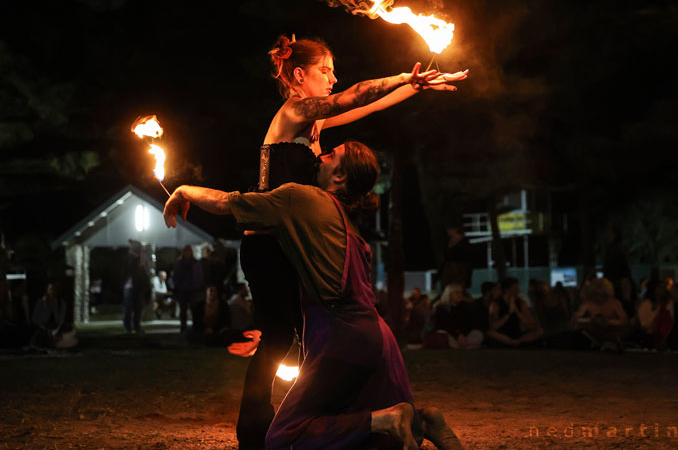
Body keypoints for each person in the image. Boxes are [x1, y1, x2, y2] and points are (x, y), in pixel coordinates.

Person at [234, 34, 469, 449]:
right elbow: (356, 94)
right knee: (276, 337)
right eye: (326, 70)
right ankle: (254, 433)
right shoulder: (295, 109)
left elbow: (367, 104)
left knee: (305, 335)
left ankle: (331, 419)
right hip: (267, 246)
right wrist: (401, 74)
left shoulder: (314, 123)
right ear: (299, 75)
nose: (334, 78)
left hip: (292, 245)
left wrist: (411, 88)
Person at [163, 141, 463, 450]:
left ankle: (384, 419)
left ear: (340, 177)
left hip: (343, 333)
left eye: (331, 155)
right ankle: (423, 421)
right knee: (372, 439)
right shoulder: (347, 220)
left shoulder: (301, 198)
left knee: (286, 436)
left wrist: (184, 190)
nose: (320, 156)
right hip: (378, 336)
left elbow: (227, 202)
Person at [486, 277, 543, 347]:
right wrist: (509, 313)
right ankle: (514, 343)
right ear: (506, 290)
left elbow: (531, 325)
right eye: (515, 289)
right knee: (490, 333)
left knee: (539, 331)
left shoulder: (521, 303)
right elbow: (494, 327)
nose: (518, 291)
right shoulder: (496, 304)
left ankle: (515, 343)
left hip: (518, 335)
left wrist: (517, 312)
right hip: (502, 335)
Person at [431, 284, 483, 349]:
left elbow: (470, 324)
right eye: (456, 293)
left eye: (461, 293)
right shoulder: (441, 308)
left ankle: (464, 346)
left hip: (464, 336)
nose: (460, 295)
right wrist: (457, 335)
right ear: (449, 294)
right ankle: (465, 347)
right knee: (441, 333)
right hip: (451, 335)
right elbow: (441, 326)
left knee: (478, 333)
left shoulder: (465, 307)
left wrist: (462, 335)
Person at [173, 245, 204, 334]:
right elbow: (176, 276)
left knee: (194, 310)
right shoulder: (180, 263)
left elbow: (199, 276)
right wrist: (178, 286)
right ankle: (183, 328)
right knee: (183, 311)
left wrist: (196, 286)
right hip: (183, 290)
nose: (187, 253)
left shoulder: (195, 263)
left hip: (193, 290)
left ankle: (194, 328)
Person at [123, 241, 150, 334]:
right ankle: (128, 327)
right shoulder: (130, 258)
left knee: (138, 308)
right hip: (130, 287)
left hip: (138, 287)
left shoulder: (140, 259)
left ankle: (136, 326)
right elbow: (129, 269)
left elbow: (145, 273)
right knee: (129, 309)